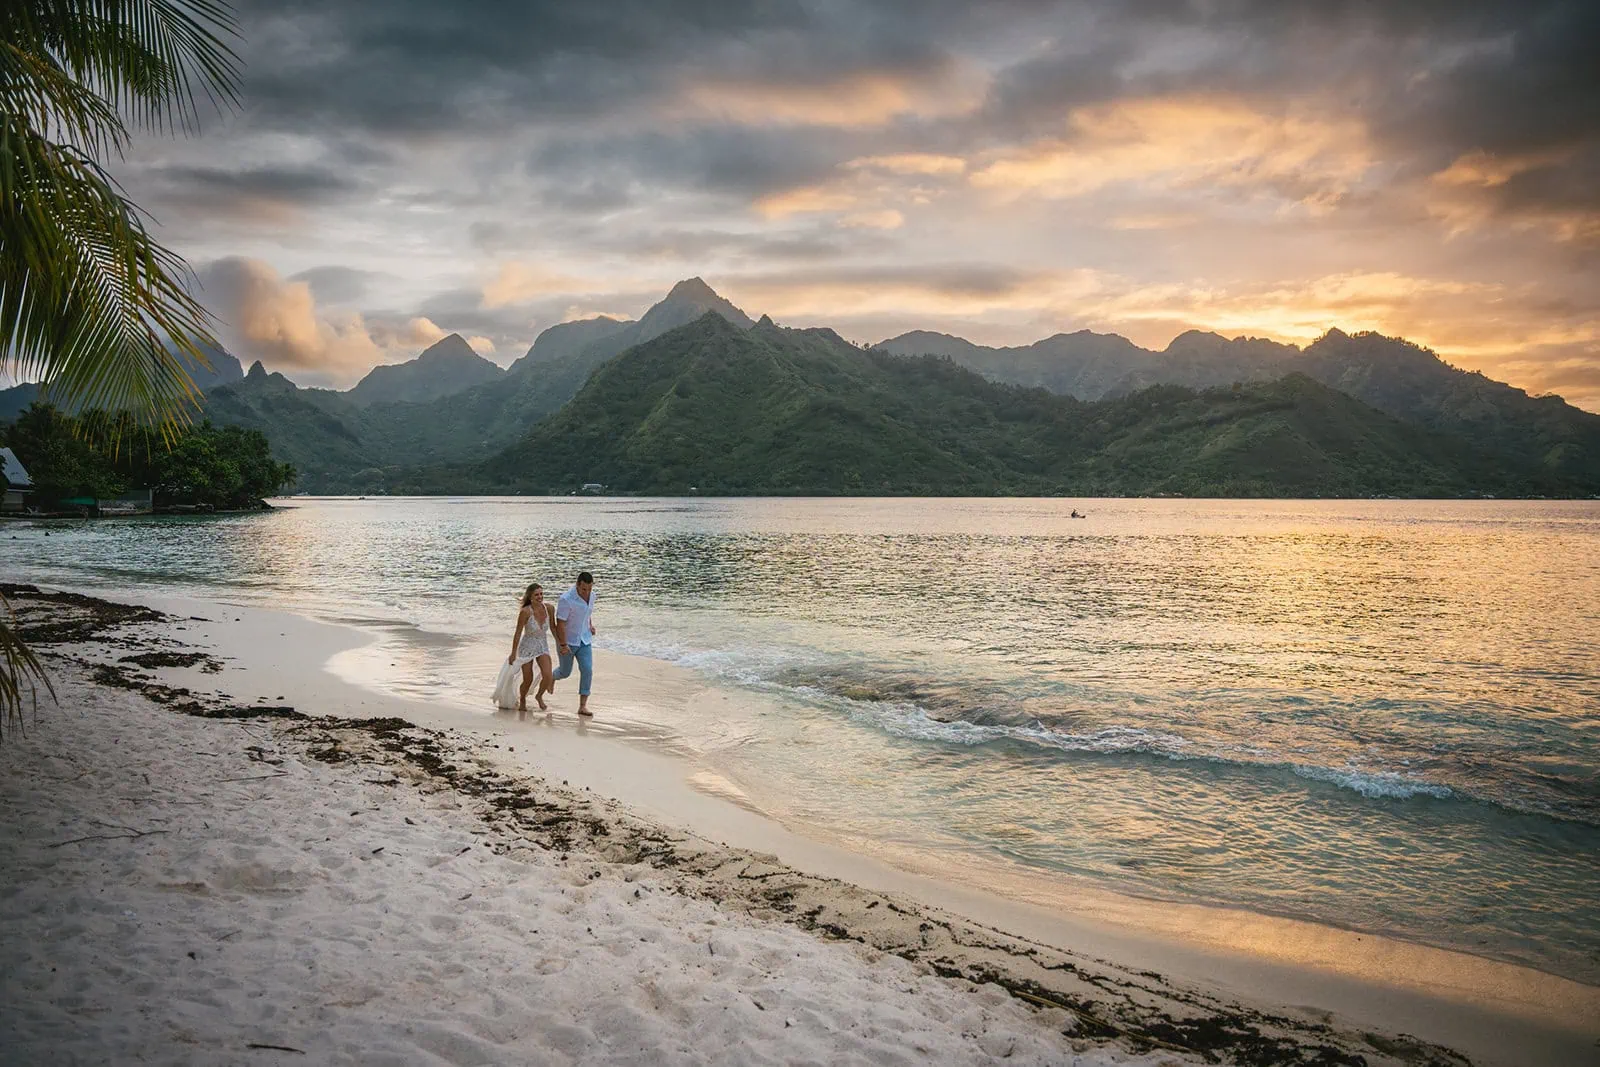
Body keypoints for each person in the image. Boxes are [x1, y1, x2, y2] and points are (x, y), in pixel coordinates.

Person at [493, 583, 554, 713]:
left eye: (541, 594)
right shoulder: (525, 612)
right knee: (528, 678)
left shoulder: (549, 608)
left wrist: (562, 644)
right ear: (530, 597)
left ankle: (539, 696)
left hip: (543, 646)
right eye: (536, 594)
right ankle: (523, 700)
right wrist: (513, 653)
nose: (540, 597)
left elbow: (553, 628)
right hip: (526, 647)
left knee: (548, 675)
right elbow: (518, 633)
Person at [551, 570, 597, 717]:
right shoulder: (566, 599)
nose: (586, 592)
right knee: (565, 672)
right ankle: (551, 677)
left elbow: (587, 613)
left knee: (587, 670)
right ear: (577, 585)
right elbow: (561, 623)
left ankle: (582, 706)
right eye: (584, 589)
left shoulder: (592, 596)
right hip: (568, 641)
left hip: (585, 639)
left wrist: (590, 625)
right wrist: (563, 645)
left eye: (589, 589)